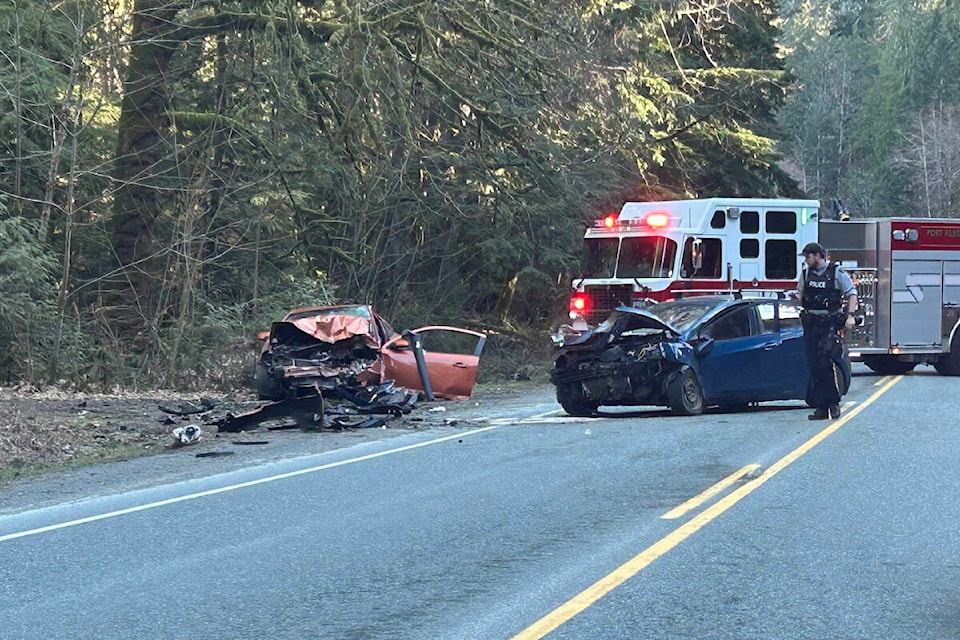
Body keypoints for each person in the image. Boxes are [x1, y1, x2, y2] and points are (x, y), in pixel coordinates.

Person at [796, 242, 858, 420]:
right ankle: (822, 407)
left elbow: (851, 293)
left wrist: (850, 315)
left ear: (817, 255)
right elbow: (800, 295)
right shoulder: (806, 274)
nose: (806, 260)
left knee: (824, 362)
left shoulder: (836, 272)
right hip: (811, 323)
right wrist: (794, 299)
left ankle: (833, 403)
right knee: (814, 365)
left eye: (808, 256)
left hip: (829, 323)